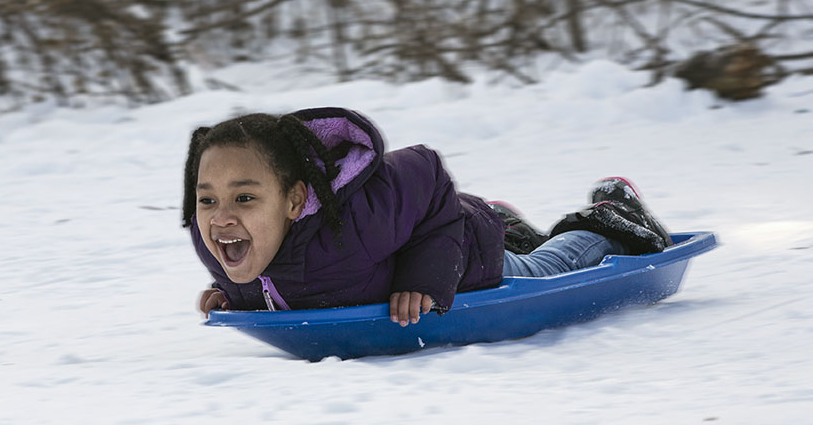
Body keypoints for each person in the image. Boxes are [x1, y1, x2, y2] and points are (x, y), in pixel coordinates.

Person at [183, 107, 672, 326]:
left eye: (244, 198)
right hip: (422, 230)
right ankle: (509, 227)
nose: (221, 218)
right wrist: (237, 297)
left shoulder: (351, 223)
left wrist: (424, 279)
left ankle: (609, 215)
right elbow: (276, 282)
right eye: (207, 200)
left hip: (462, 257)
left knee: (547, 269)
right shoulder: (222, 242)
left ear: (294, 201)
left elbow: (427, 172)